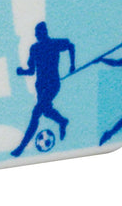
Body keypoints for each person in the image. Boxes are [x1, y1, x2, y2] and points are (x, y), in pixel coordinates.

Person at [11, 21, 75, 157]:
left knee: (36, 112)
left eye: (38, 33)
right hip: (41, 86)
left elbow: (70, 45)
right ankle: (62, 121)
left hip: (52, 84)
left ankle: (21, 147)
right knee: (45, 111)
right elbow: (31, 71)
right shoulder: (35, 48)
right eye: (36, 34)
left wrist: (72, 64)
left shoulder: (53, 44)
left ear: (43, 33)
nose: (37, 35)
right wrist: (22, 72)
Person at [98, 39, 122, 146]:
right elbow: (115, 63)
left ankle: (109, 134)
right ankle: (109, 134)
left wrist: (102, 60)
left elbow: (115, 63)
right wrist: (102, 60)